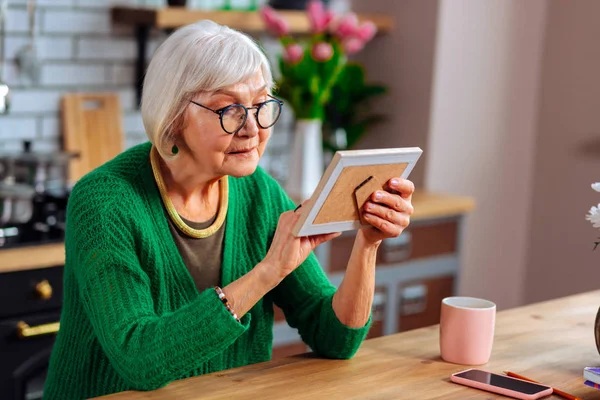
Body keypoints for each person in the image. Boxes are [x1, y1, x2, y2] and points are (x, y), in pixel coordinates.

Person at [43, 20, 415, 400]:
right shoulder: (104, 202)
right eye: (230, 110)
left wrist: (368, 243)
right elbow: (139, 358)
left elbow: (335, 339)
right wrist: (268, 272)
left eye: (260, 105)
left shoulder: (260, 194)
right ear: (173, 121)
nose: (252, 128)